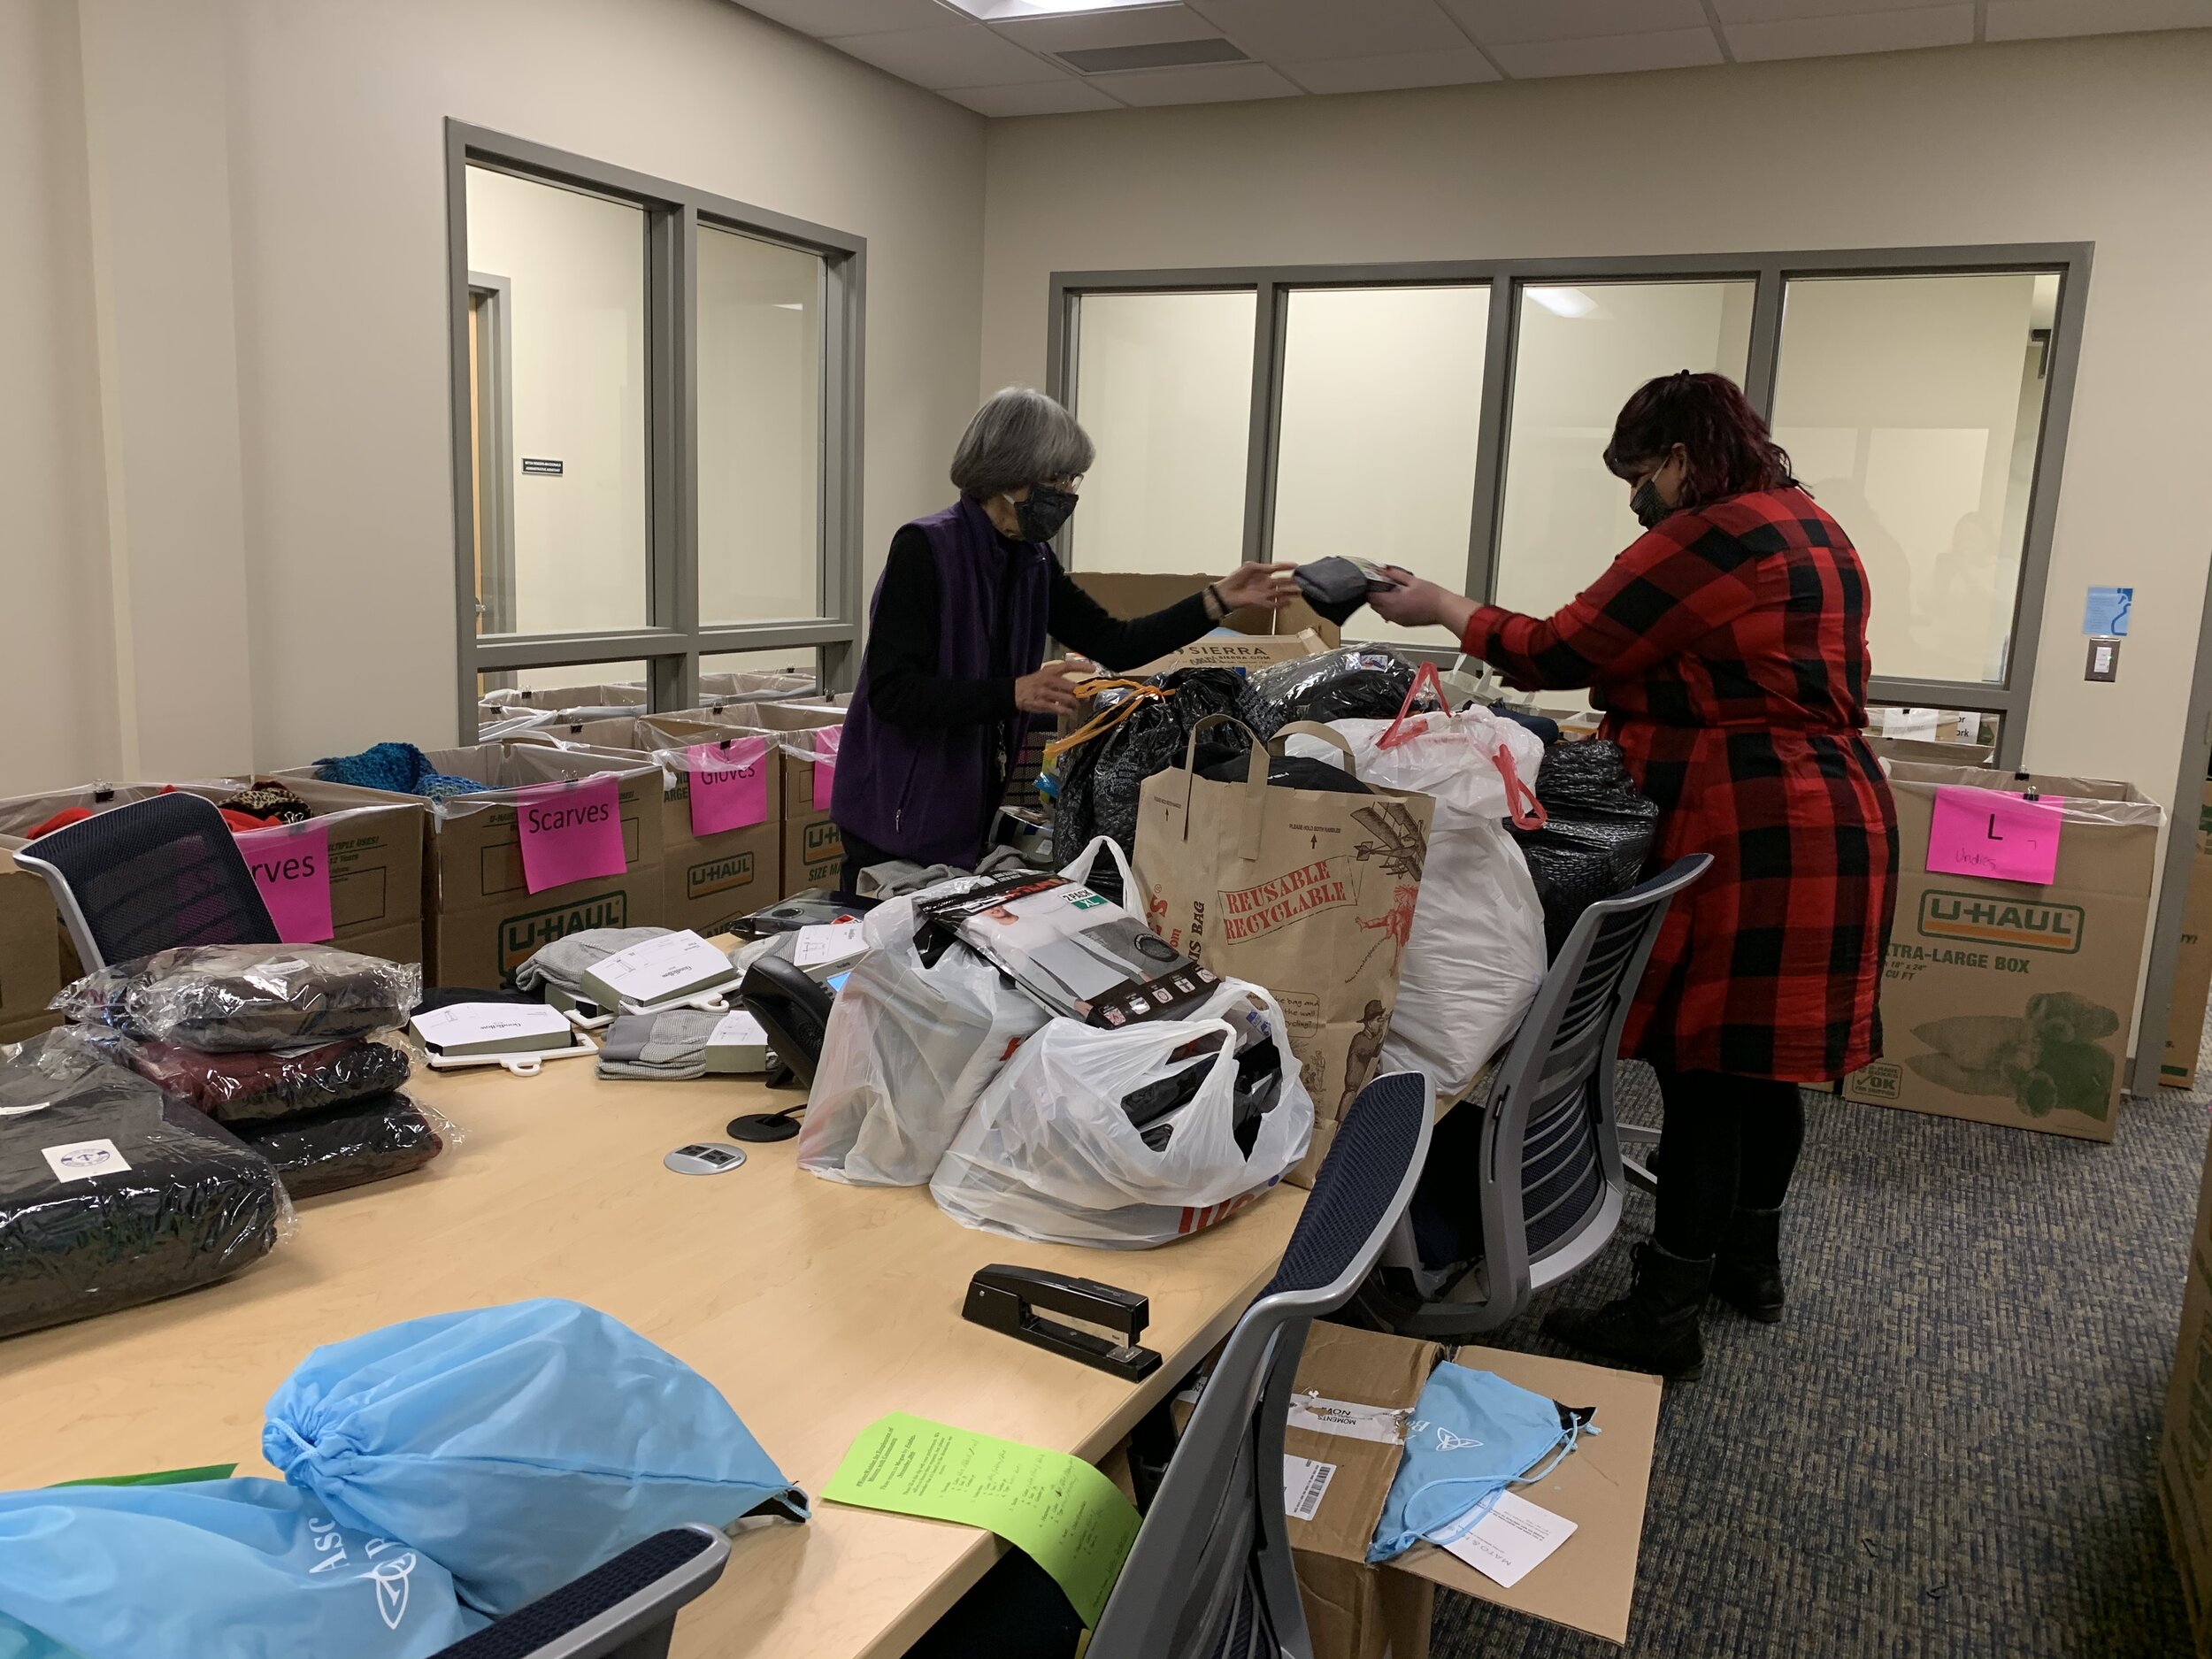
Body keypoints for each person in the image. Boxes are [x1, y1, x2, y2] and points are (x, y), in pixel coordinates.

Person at [1366, 371, 1899, 1383]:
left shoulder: (1712, 533)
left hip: (1752, 820)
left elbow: (1551, 649)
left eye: (1638, 473)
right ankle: (1750, 1264)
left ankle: (1666, 1311)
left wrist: (1436, 602)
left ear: (1682, 459)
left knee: (1703, 1074)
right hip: (1833, 811)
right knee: (1759, 1067)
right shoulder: (1809, 522)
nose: (1633, 498)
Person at [832, 387, 1294, 886]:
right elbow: (891, 692)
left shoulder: (1031, 561)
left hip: (963, 811)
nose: (1067, 494)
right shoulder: (924, 550)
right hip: (893, 816)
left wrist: (1216, 600)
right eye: (1053, 479)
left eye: (1073, 479)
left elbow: (1116, 643)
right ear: (1005, 472)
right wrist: (1011, 692)